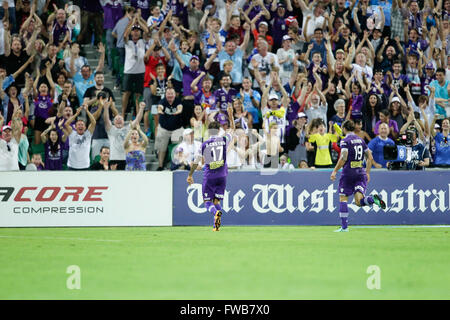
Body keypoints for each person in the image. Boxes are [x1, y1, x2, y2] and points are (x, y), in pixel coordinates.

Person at [330, 120, 386, 232]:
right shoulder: (361, 140)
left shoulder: (345, 141)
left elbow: (344, 157)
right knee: (359, 201)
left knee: (343, 198)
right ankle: (372, 200)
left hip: (348, 173)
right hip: (360, 172)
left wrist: (335, 171)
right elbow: (370, 157)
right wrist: (368, 172)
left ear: (344, 129)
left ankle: (344, 227)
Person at [186, 107, 235, 232]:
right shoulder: (224, 140)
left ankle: (215, 214)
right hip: (223, 175)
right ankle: (216, 224)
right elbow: (233, 130)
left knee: (207, 202)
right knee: (216, 200)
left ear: (208, 131)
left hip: (210, 176)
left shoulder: (204, 144)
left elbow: (196, 161)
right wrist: (230, 115)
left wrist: (190, 175)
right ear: (219, 130)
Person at [62, 105, 97, 170]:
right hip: (72, 166)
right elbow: (66, 124)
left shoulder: (88, 134)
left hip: (85, 166)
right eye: (78, 125)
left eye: (82, 125)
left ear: (85, 127)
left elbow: (93, 122)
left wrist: (87, 111)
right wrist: (76, 114)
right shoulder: (72, 133)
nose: (80, 126)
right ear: (75, 127)